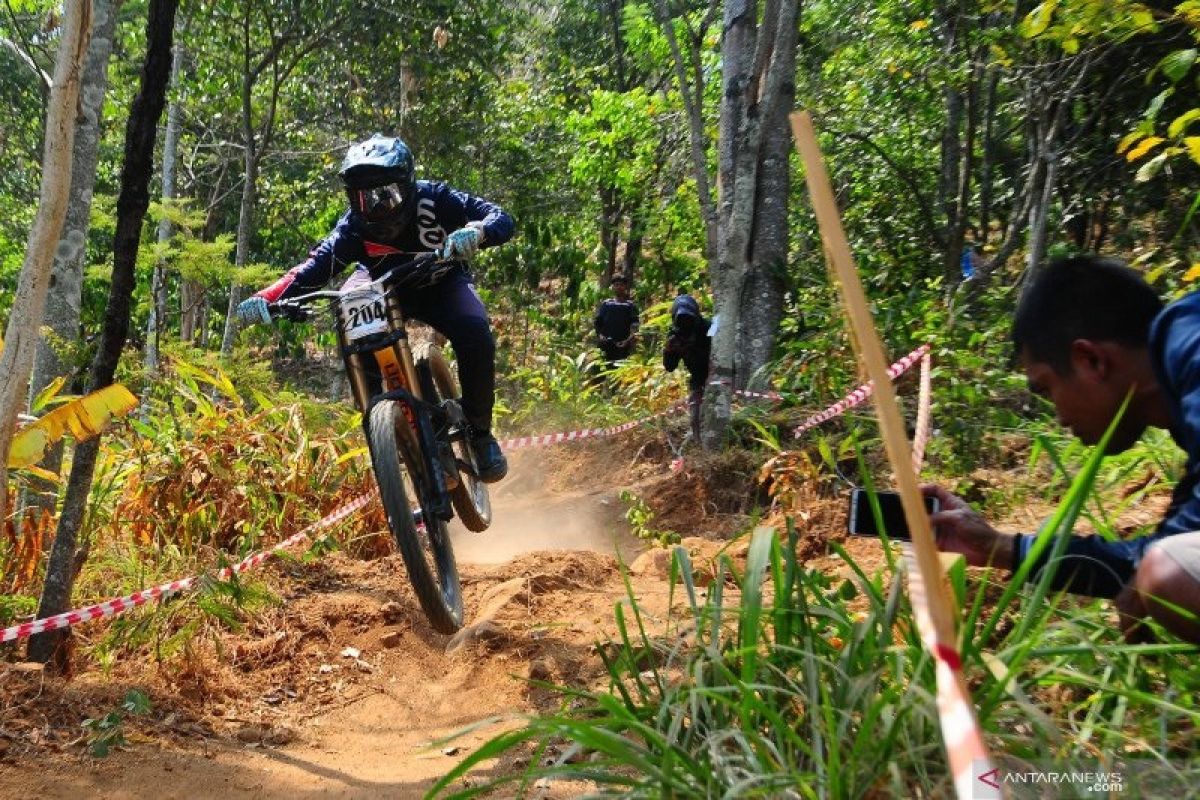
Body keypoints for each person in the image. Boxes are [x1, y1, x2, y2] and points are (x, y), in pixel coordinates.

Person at [924, 255, 1200, 644]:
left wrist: (1150, 577)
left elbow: (1159, 567)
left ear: (1090, 360)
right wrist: (1000, 548)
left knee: (1166, 573)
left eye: (1047, 388)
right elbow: (1152, 556)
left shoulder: (1192, 342)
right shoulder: (1182, 386)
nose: (1058, 418)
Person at [236, 134, 513, 483]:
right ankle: (384, 427)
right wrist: (267, 298)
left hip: (441, 283)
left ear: (408, 186)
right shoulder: (352, 228)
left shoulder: (436, 198)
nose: (374, 207)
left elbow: (500, 217)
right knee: (349, 310)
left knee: (475, 331)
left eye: (386, 195)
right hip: (383, 287)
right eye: (363, 198)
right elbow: (311, 270)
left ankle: (479, 431)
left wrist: (477, 231)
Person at [663, 292, 711, 441]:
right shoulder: (676, 336)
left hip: (719, 375)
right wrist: (669, 351)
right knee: (695, 417)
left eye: (689, 320)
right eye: (681, 321)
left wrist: (691, 349)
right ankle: (699, 447)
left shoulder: (710, 327)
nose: (686, 324)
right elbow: (670, 367)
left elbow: (721, 354)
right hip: (698, 379)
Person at [593, 274, 640, 369]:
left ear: (625, 287)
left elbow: (635, 325)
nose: (619, 287)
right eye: (616, 285)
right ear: (613, 287)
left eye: (621, 285)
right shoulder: (606, 304)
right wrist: (601, 336)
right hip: (606, 344)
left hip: (623, 345)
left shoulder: (630, 306)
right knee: (604, 370)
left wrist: (628, 340)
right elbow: (598, 323)